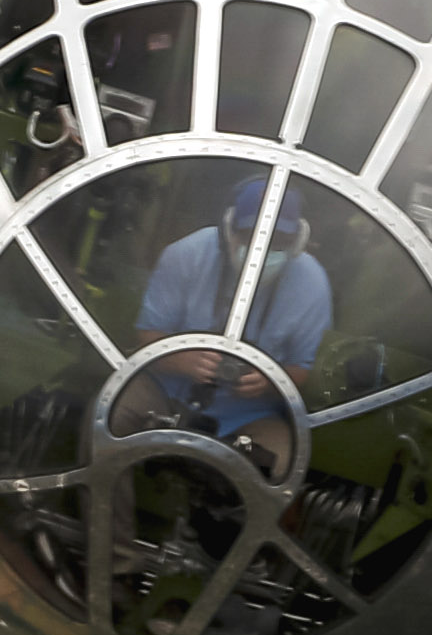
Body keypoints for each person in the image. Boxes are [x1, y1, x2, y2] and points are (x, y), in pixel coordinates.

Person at [130, 172, 333, 445]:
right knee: (115, 413)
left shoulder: (313, 283)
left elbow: (305, 368)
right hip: (165, 391)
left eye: (278, 239)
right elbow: (147, 334)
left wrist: (272, 382)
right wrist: (182, 360)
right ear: (228, 230)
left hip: (251, 415)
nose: (261, 249)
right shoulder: (185, 254)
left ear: (298, 240)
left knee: (279, 457)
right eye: (250, 234)